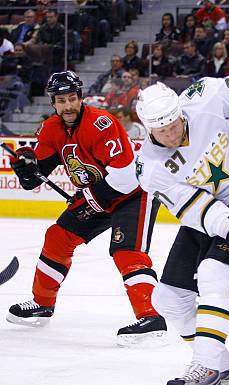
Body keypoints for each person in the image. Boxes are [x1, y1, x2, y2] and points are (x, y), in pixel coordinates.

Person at [134, 74, 229, 385]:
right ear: (146, 128)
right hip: (213, 216)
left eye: (175, 124)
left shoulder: (204, 96)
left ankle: (206, 367)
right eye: (163, 130)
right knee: (168, 299)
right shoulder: (150, 167)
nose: (173, 133)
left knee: (215, 275)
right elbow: (198, 209)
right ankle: (225, 365)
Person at [6, 71, 166, 345]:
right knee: (58, 237)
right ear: (53, 103)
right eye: (61, 100)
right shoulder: (50, 130)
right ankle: (42, 303)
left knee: (126, 251)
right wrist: (26, 168)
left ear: (80, 98)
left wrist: (88, 197)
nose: (67, 105)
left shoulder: (101, 124)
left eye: (72, 98)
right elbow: (36, 175)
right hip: (100, 195)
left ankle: (151, 318)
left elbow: (126, 177)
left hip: (135, 193)